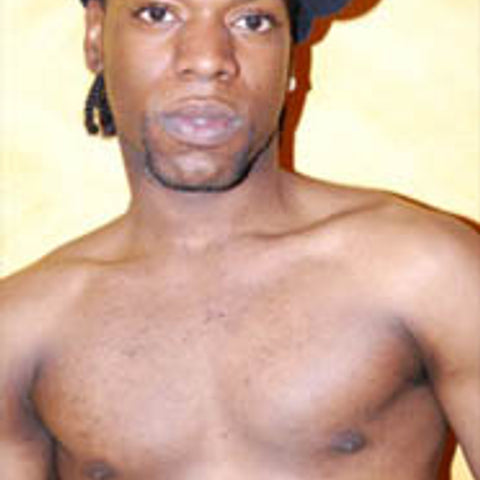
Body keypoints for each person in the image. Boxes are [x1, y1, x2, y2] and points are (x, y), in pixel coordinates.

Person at [0, 0, 479, 478]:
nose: (207, 59)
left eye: (252, 21)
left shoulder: (425, 271)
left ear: (289, 56)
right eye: (158, 13)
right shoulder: (21, 330)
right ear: (95, 37)